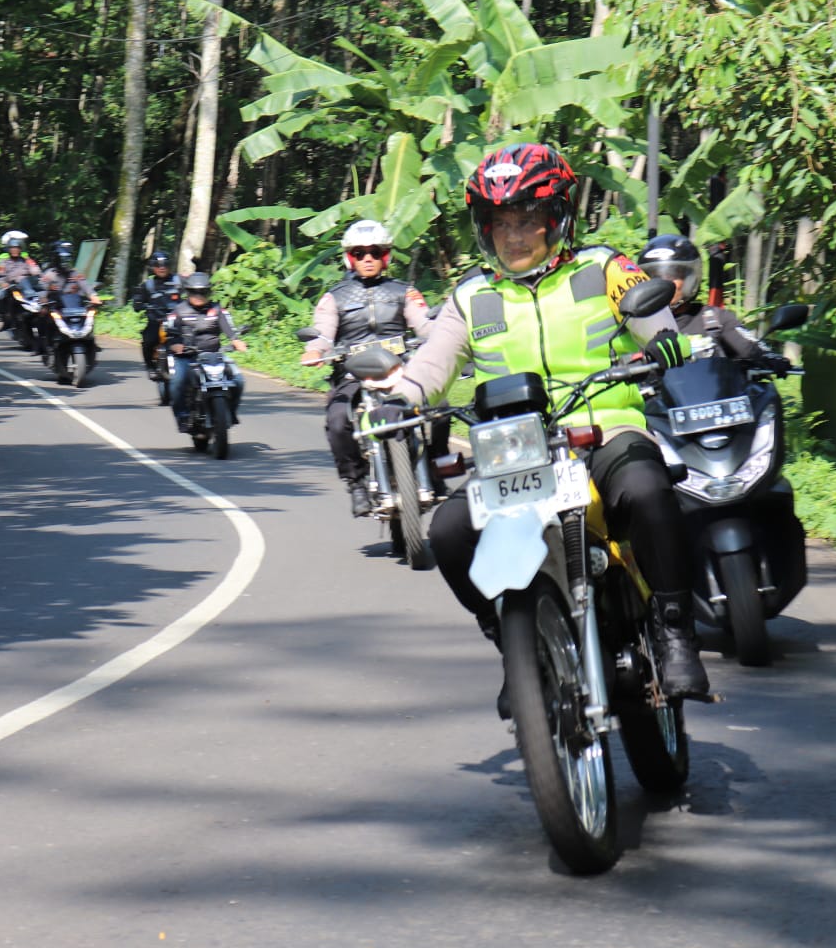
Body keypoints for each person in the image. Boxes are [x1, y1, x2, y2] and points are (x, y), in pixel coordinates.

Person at [367, 143, 710, 705]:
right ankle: (515, 645)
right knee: (450, 533)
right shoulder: (472, 296)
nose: (514, 235)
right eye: (500, 222)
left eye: (527, 220)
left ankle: (676, 635)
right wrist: (400, 399)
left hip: (605, 429)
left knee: (648, 490)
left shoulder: (603, 268)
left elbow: (648, 312)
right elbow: (432, 363)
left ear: (558, 219)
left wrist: (665, 340)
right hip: (514, 450)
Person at [300, 219, 437, 517]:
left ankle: (435, 468)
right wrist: (315, 350)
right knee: (337, 421)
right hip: (353, 373)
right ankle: (356, 483)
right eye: (360, 253)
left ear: (385, 255)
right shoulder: (333, 297)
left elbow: (425, 326)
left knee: (440, 406)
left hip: (401, 368)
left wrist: (445, 338)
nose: (368, 258)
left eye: (374, 252)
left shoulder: (405, 292)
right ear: (350, 257)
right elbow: (323, 333)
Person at [636, 234, 791, 370]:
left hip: (713, 400)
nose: (663, 284)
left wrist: (769, 357)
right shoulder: (634, 324)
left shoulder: (714, 320)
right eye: (654, 277)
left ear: (690, 279)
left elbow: (751, 348)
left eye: (673, 276)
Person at [163, 272, 247, 431]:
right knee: (176, 383)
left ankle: (231, 412)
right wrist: (175, 345)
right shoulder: (178, 311)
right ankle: (182, 416)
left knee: (239, 380)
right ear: (188, 292)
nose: (199, 296)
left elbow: (230, 331)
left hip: (214, 355)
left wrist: (236, 341)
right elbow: (170, 334)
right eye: (195, 292)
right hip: (187, 356)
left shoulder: (217, 310)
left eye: (203, 292)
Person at [130, 250, 181, 379]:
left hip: (179, 321)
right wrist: (139, 303)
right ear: (153, 267)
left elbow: (195, 289)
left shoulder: (179, 281)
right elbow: (138, 300)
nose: (162, 267)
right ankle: (150, 366)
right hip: (157, 321)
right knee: (148, 340)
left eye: (165, 264)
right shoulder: (147, 285)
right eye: (158, 265)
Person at [0, 230, 43, 328]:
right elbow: (0, 275)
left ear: (21, 249)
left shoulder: (27, 260)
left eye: (17, 248)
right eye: (12, 248)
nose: (15, 250)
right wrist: (3, 283)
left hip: (27, 286)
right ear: (8, 249)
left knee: (44, 294)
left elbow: (35, 269)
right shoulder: (3, 262)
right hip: (11, 286)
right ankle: (6, 318)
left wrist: (37, 274)